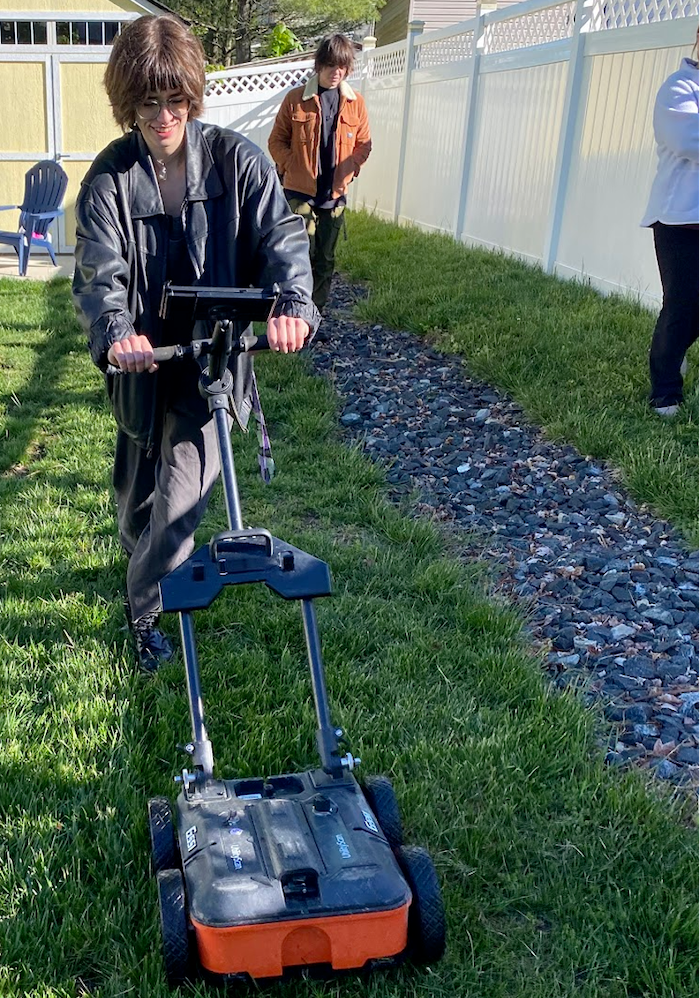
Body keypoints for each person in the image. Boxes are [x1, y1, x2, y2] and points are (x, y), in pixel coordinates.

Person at [73, 14, 320, 672]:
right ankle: (141, 561)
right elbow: (100, 272)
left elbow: (282, 240)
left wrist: (292, 305)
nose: (163, 117)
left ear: (192, 96)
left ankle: (146, 615)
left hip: (212, 365)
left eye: (175, 100)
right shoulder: (110, 178)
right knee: (136, 508)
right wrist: (115, 330)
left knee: (178, 509)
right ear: (130, 104)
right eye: (148, 103)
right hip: (140, 368)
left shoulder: (239, 163)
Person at [268, 34, 372, 319]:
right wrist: (292, 165)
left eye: (341, 66)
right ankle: (295, 311)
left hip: (334, 195)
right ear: (319, 65)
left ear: (347, 68)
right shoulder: (296, 100)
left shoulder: (355, 103)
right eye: (329, 65)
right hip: (300, 193)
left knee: (324, 257)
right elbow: (276, 141)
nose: (335, 72)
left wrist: (350, 171)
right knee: (300, 253)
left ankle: (316, 312)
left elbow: (364, 143)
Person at [641, 23, 700, 418]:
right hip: (679, 222)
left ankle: (676, 351)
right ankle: (665, 392)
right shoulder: (679, 88)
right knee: (682, 306)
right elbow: (688, 140)